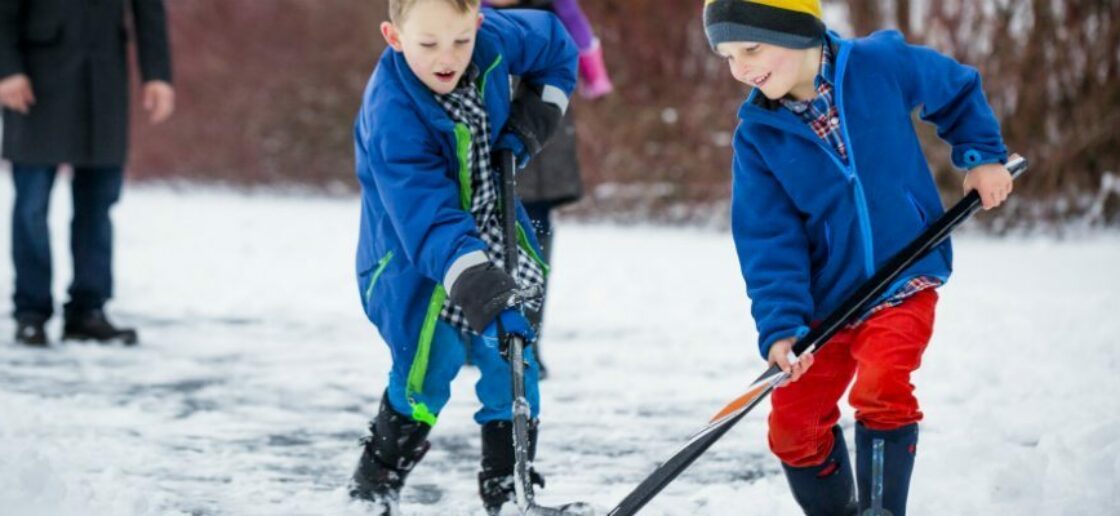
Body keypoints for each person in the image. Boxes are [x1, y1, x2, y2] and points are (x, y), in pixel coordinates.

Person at [702, 0, 1013, 514]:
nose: (741, 68)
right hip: (827, 304)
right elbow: (767, 240)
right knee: (793, 428)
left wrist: (981, 157)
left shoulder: (878, 65)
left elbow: (954, 87)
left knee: (881, 386)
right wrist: (782, 328)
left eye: (751, 48)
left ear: (797, 31)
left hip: (903, 281)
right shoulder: (758, 137)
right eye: (728, 56)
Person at [348, 0, 576, 513]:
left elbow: (559, 46)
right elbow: (428, 219)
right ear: (394, 36)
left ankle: (509, 492)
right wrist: (487, 292)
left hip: (493, 226)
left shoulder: (494, 38)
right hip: (416, 260)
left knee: (513, 360)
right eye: (427, 44)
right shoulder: (392, 115)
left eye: (460, 40)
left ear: (477, 23)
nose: (446, 57)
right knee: (429, 369)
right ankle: (374, 486)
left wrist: (532, 120)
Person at [0, 0, 174, 347]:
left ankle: (87, 311)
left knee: (99, 202)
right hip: (36, 80)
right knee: (31, 205)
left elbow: (148, 9)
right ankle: (31, 312)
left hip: (103, 78)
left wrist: (158, 74)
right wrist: (7, 69)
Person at [484, 0, 615, 378]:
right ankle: (476, 337)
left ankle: (527, 341)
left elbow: (580, 36)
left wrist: (594, 77)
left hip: (539, 131)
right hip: (480, 131)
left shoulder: (555, 7)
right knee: (473, 236)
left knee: (533, 240)